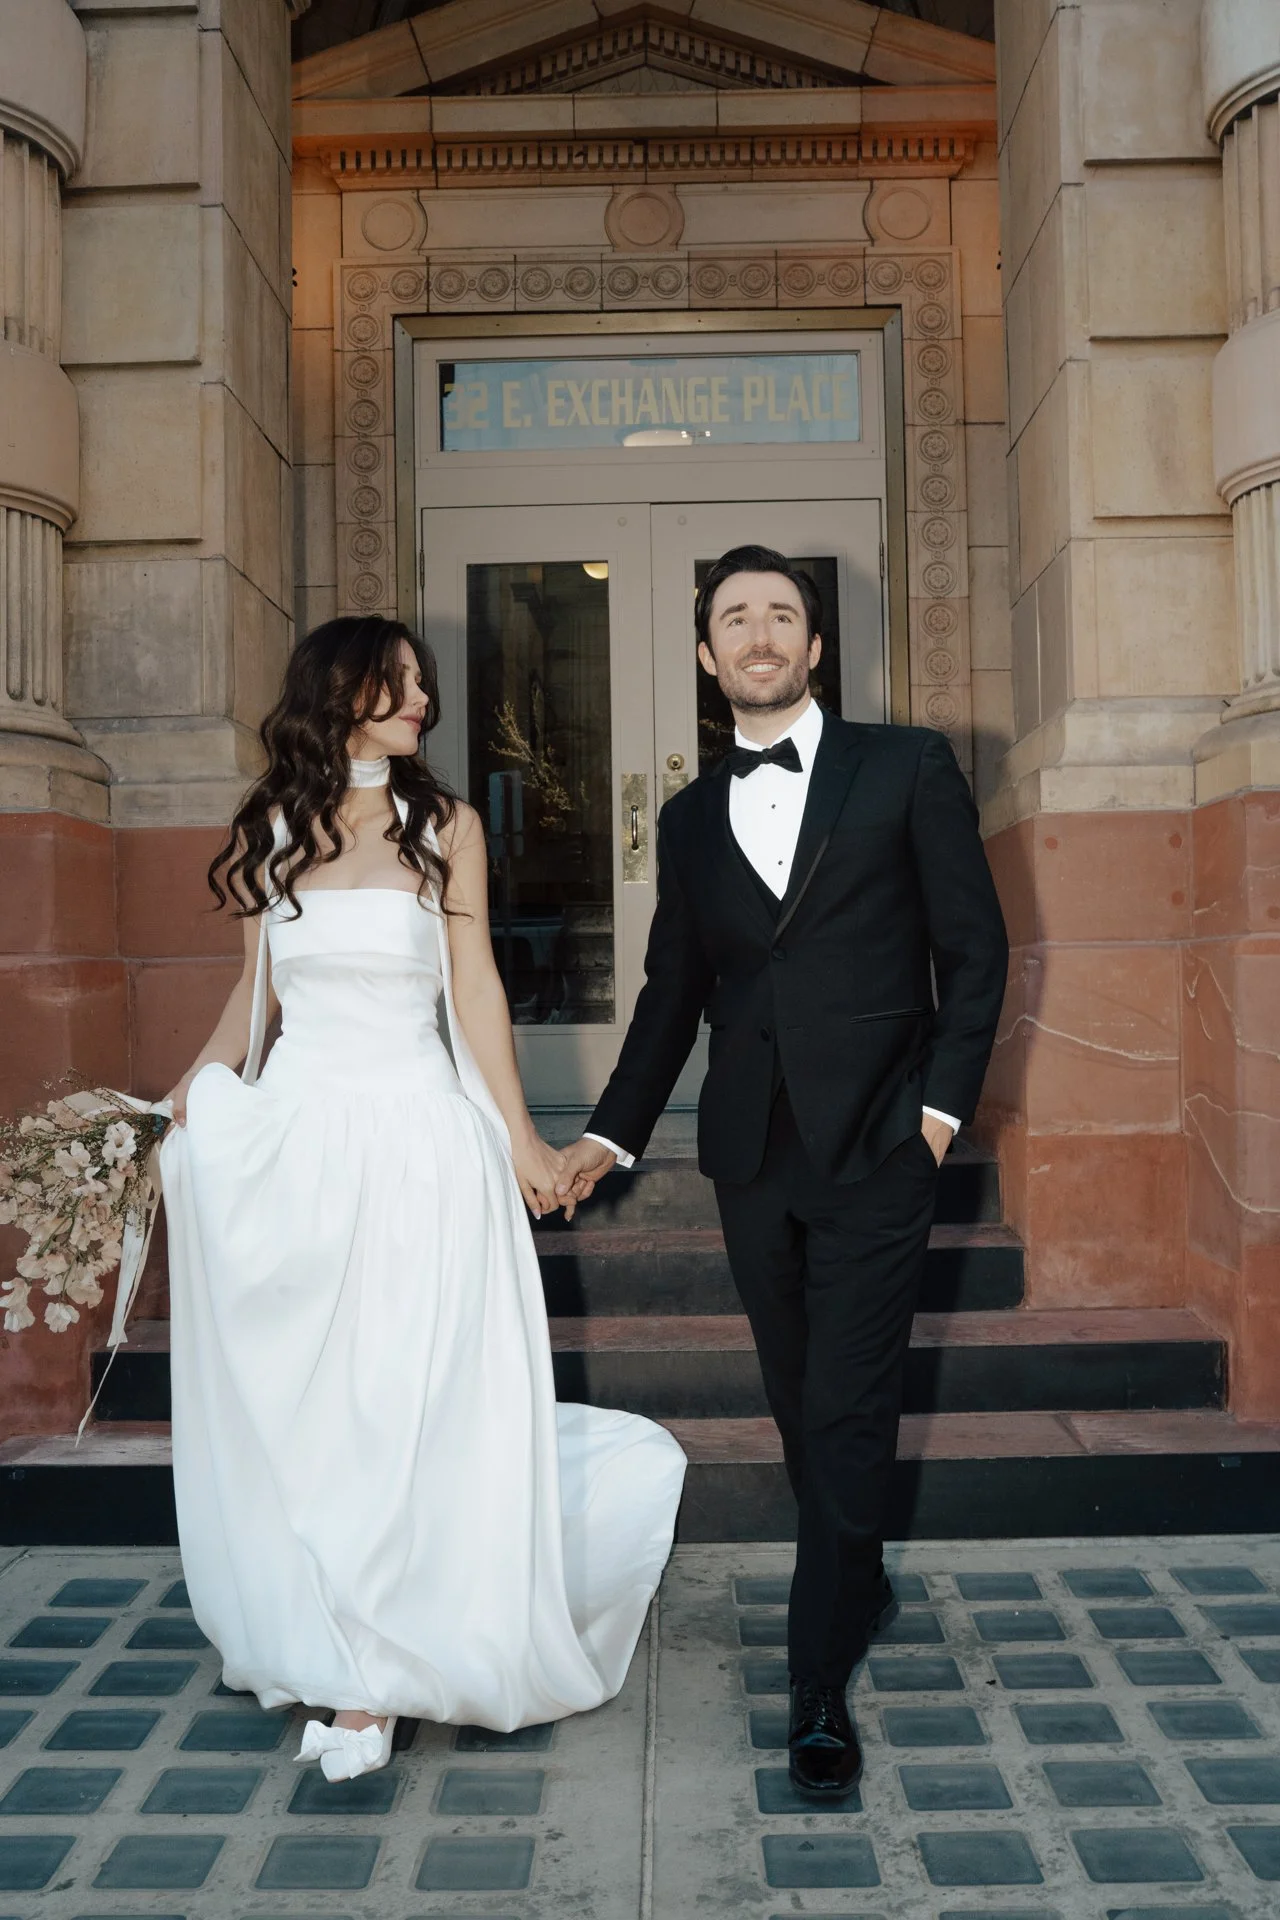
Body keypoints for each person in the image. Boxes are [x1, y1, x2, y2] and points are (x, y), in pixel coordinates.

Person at [160, 615, 685, 1783]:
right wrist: (179, 1104)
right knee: (321, 1409)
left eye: (421, 687)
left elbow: (475, 991)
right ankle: (334, 1627)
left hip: (416, 1147)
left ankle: (380, 1674)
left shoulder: (443, 827)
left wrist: (523, 1140)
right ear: (337, 695)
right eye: (398, 687)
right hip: (299, 1145)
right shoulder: (271, 829)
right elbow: (255, 1000)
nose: (422, 706)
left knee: (404, 1396)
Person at [556, 546, 1008, 1798]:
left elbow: (974, 953)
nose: (758, 634)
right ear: (706, 656)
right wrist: (607, 1134)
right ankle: (853, 1573)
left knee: (849, 1404)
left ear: (814, 647)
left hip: (878, 1143)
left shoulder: (905, 766)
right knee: (798, 1389)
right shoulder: (692, 816)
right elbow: (670, 997)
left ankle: (815, 1682)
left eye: (780, 616)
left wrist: (934, 1115)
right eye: (733, 619)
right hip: (751, 1153)